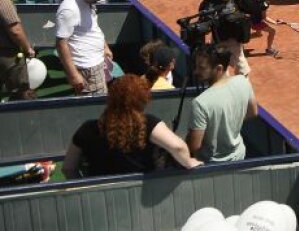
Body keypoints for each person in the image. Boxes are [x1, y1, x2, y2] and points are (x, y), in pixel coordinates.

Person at [62, 75, 200, 178]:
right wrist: (189, 162)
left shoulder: (87, 128)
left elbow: (68, 168)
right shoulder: (149, 124)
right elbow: (178, 147)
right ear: (143, 100)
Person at [187, 44, 258, 163]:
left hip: (213, 165)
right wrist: (229, 126)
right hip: (239, 157)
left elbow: (194, 146)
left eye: (202, 68)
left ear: (219, 68)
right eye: (196, 66)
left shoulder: (200, 103)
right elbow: (253, 112)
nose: (196, 71)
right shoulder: (243, 82)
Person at [193, 0, 252, 76]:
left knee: (236, 54)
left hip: (232, 20)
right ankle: (224, 82)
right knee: (218, 56)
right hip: (218, 19)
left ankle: (243, 83)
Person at [56, 0, 112, 96]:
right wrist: (73, 74)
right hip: (87, 67)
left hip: (96, 61)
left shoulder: (88, 1)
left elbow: (93, 25)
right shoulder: (69, 9)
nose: (97, 0)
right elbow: (61, 44)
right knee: (97, 105)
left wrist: (105, 46)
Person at [0, 0, 37, 100]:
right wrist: (27, 48)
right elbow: (15, 30)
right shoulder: (3, 2)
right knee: (22, 93)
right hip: (7, 55)